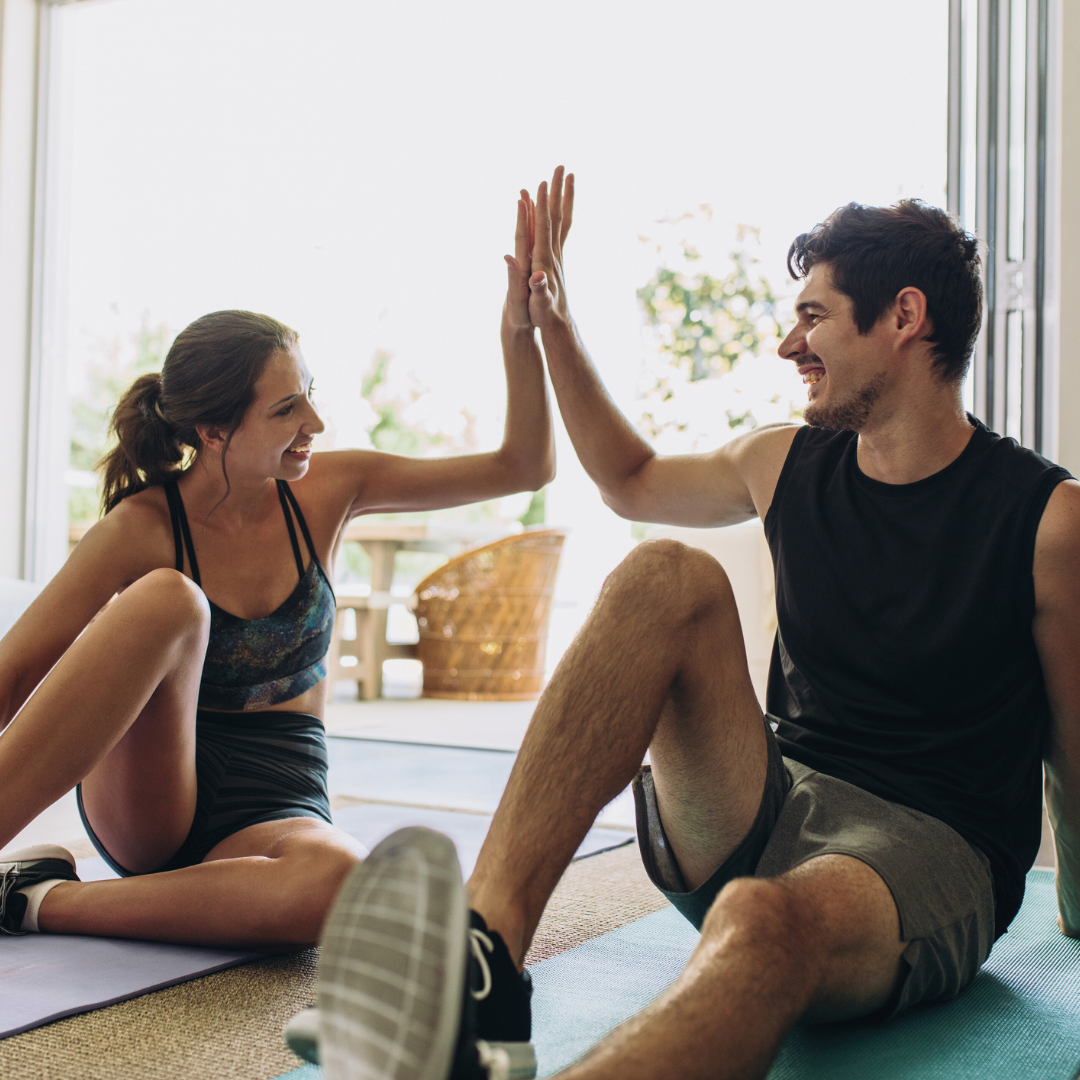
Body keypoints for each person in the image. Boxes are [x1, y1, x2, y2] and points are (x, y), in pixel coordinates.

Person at [303, 168, 1080, 1080]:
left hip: (925, 852)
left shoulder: (1047, 518)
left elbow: (1072, 737)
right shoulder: (783, 461)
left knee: (760, 920)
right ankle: (482, 966)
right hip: (767, 795)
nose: (791, 343)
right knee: (664, 571)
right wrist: (552, 319)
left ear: (904, 317)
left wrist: (1074, 906)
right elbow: (629, 479)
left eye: (815, 317)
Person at [0, 192, 554, 950]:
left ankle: (34, 902)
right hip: (156, 791)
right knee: (171, 601)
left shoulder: (330, 490)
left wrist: (522, 330)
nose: (315, 427)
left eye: (311, 398)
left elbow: (524, 465)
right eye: (288, 409)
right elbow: (14, 673)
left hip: (281, 793)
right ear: (214, 430)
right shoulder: (143, 527)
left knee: (340, 888)